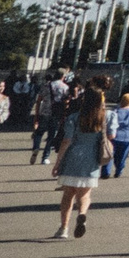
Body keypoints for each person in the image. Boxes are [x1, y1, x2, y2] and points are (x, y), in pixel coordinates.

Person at [51, 86, 110, 239]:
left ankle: (63, 228)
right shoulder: (103, 118)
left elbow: (66, 140)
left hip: (72, 157)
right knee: (85, 194)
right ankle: (82, 214)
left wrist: (57, 163)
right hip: (91, 159)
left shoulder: (74, 117)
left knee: (68, 194)